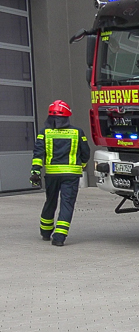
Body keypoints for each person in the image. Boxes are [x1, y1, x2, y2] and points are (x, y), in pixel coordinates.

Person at [31, 100, 90, 247]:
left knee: (50, 202)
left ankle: (45, 232)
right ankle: (59, 237)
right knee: (67, 204)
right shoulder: (77, 132)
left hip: (51, 175)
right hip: (71, 175)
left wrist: (35, 171)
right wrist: (81, 165)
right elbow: (86, 153)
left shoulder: (44, 132)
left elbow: (38, 153)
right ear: (67, 115)